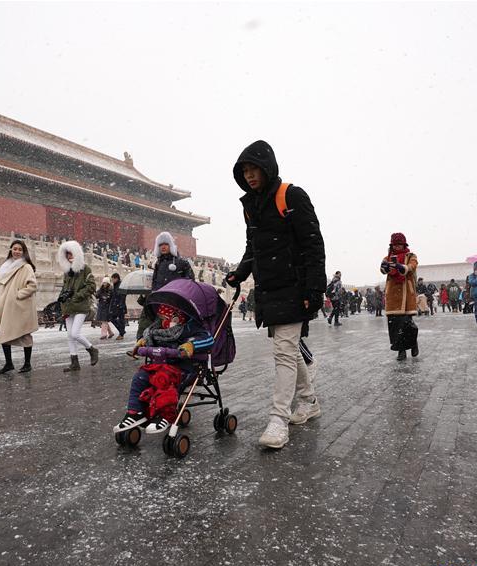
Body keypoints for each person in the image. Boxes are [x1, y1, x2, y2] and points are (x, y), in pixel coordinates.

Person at [225, 140, 326, 449]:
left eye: (254, 169)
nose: (249, 175)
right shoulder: (250, 206)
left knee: (283, 351)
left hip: (294, 287)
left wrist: (314, 289)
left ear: (267, 168)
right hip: (269, 289)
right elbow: (253, 248)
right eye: (245, 170)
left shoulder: (291, 195)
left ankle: (278, 419)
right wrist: (240, 273)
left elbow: (313, 244)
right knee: (290, 350)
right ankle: (309, 401)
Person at [114, 302, 215, 436]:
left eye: (168, 319)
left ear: (178, 318)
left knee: (164, 379)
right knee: (141, 376)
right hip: (160, 365)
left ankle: (165, 415)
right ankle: (135, 412)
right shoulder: (155, 330)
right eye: (162, 318)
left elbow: (209, 340)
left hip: (185, 368)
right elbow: (149, 339)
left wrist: (191, 345)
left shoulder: (191, 328)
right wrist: (143, 343)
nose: (164, 322)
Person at [0, 240, 38, 374]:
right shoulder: (5, 266)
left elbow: (32, 286)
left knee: (25, 333)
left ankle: (27, 363)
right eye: (15, 249)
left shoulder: (26, 267)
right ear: (11, 250)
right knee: (3, 333)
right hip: (5, 306)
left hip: (20, 306)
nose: (17, 251)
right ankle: (8, 363)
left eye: (20, 249)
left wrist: (18, 295)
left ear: (24, 252)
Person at [137, 232, 194, 338]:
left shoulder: (182, 263)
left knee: (173, 328)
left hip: (175, 302)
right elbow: (155, 283)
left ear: (171, 245)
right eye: (160, 245)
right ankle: (144, 343)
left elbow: (190, 282)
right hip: (160, 301)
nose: (163, 247)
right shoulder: (158, 264)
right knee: (154, 326)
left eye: (166, 244)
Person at [57, 240, 98, 372]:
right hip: (68, 307)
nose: (69, 256)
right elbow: (65, 288)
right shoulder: (67, 272)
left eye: (71, 253)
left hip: (81, 306)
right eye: (67, 254)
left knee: (75, 333)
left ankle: (91, 349)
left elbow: (92, 286)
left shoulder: (85, 269)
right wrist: (62, 298)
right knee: (70, 335)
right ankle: (74, 362)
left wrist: (77, 295)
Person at [380, 233, 419, 360]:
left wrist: (402, 267)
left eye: (399, 244)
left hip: (406, 294)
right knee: (395, 326)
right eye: (395, 245)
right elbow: (382, 270)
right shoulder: (387, 257)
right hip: (392, 295)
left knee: (407, 324)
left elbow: (412, 266)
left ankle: (413, 344)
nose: (397, 247)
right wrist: (385, 267)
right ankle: (400, 350)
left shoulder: (411, 256)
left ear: (404, 244)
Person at [107, 272, 127, 341]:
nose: (112, 280)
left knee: (121, 320)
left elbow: (123, 295)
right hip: (115, 305)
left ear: (116, 278)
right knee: (112, 318)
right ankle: (122, 331)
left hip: (120, 306)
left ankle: (121, 334)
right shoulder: (115, 285)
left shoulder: (121, 285)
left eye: (112, 279)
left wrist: (120, 304)